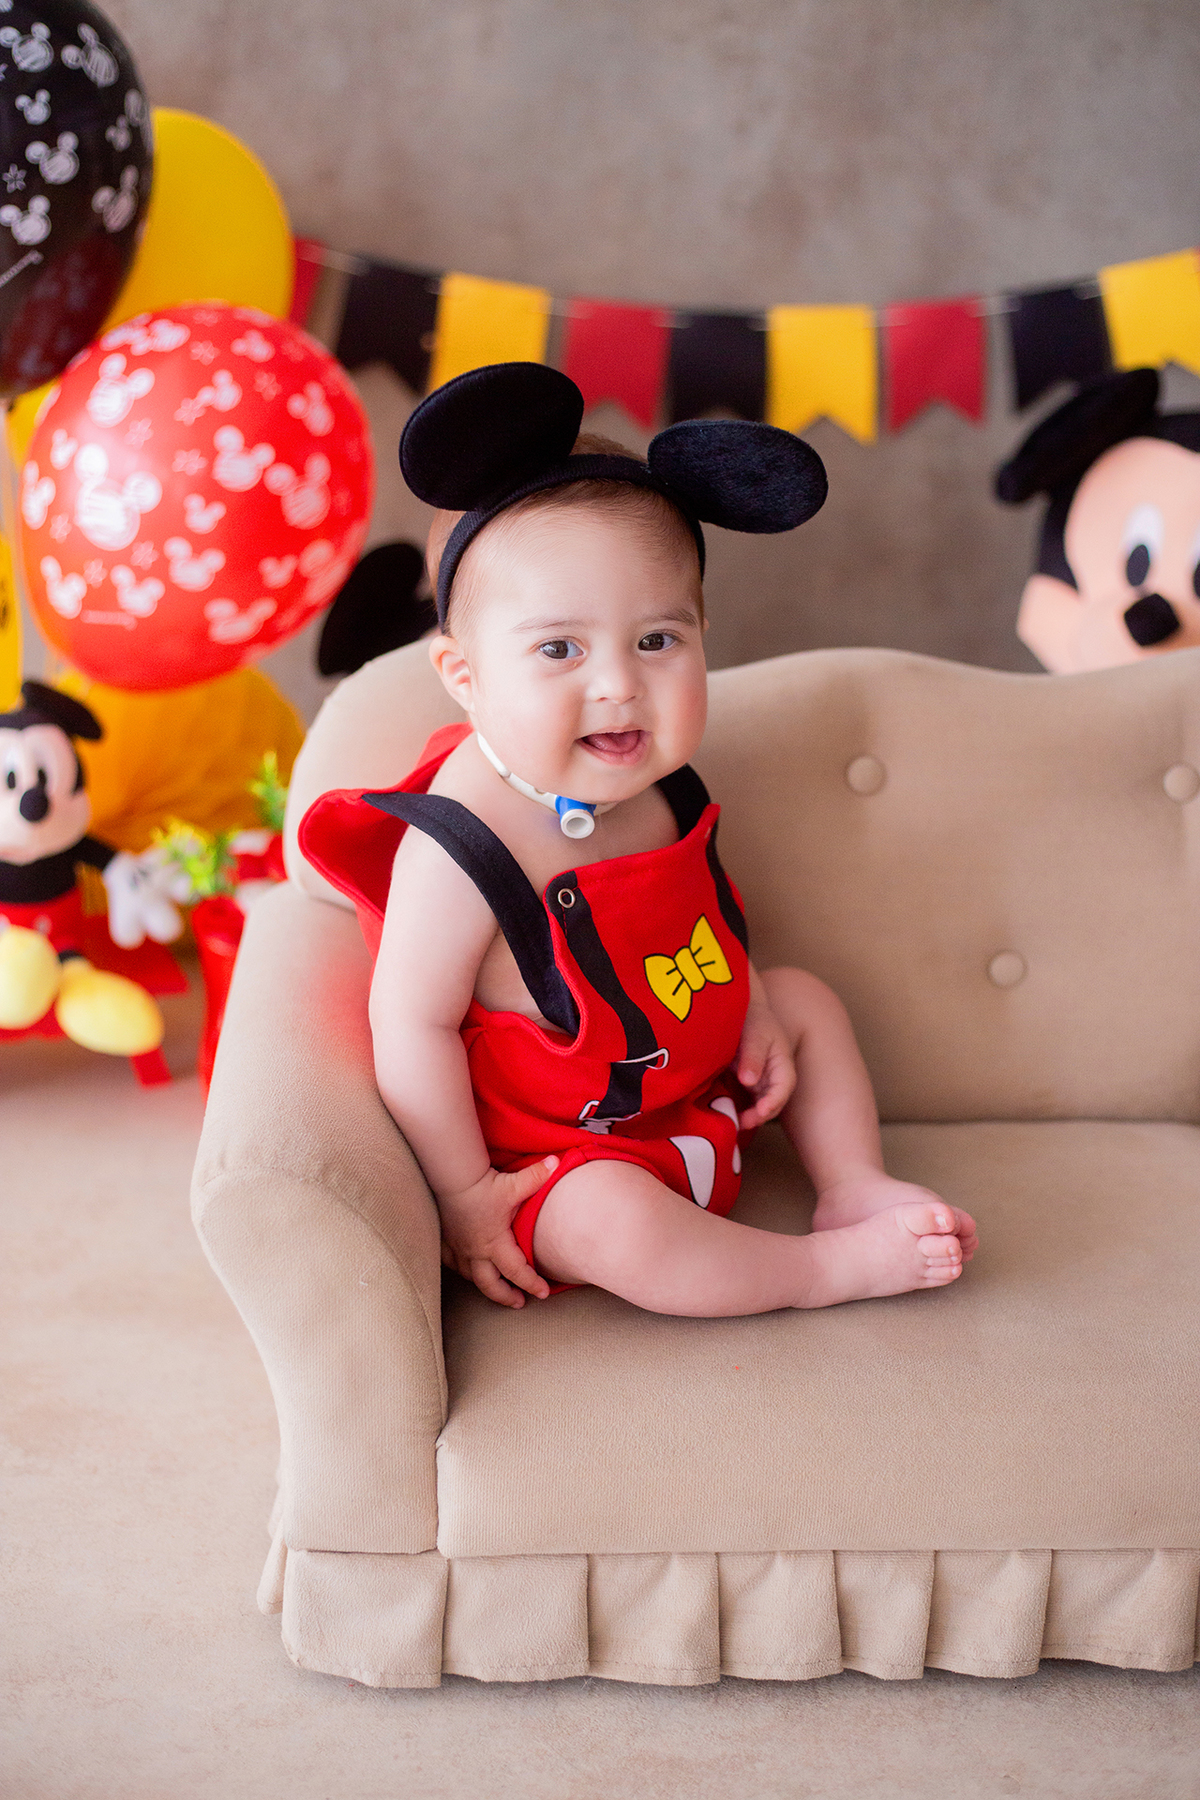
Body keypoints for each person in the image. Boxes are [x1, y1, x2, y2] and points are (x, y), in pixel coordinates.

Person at [301, 363, 977, 1316]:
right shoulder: (462, 849)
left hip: (690, 1079)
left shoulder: (659, 785)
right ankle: (822, 1273)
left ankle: (853, 1183)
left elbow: (696, 917)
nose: (618, 684)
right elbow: (408, 1028)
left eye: (658, 640)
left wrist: (749, 1008)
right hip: (562, 1150)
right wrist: (462, 1197)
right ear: (463, 672)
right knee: (617, 1224)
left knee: (808, 999)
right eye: (559, 649)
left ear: (705, 634)